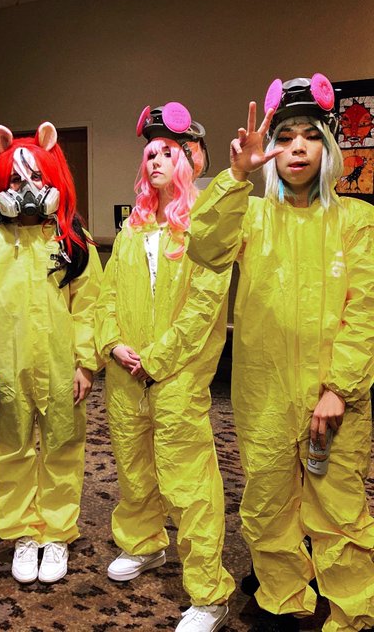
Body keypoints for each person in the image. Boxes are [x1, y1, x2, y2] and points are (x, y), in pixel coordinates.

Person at [187, 74, 374, 632]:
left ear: (328, 147)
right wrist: (234, 177)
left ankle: (352, 614)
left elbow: (365, 311)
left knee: (340, 510)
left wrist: (338, 389)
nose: (297, 148)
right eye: (285, 137)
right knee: (267, 505)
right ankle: (282, 601)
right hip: (264, 393)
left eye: (310, 136)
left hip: (335, 399)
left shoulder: (356, 221)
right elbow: (205, 248)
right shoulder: (251, 214)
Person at [95, 103, 235, 632]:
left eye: (166, 152)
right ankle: (144, 543)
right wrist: (112, 344)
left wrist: (156, 360)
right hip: (125, 375)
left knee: (189, 483)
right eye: (149, 153)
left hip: (177, 375)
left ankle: (209, 593)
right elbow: (106, 296)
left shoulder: (204, 230)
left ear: (190, 160)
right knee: (133, 469)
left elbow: (204, 309)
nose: (154, 160)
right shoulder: (132, 231)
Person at [0, 122, 102, 584]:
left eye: (37, 178)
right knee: (14, 451)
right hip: (8, 368)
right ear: (0, 186)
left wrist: (86, 363)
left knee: (62, 449)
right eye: (16, 180)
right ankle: (23, 532)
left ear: (54, 179)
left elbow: (90, 306)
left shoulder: (73, 241)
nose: (28, 189)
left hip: (61, 367)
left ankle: (56, 532)